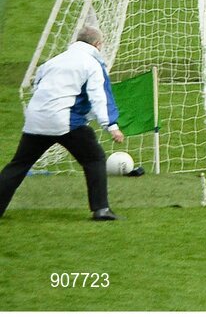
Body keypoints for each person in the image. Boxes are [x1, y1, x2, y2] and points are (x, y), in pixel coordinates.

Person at [0, 26, 125, 221]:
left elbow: (37, 86)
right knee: (94, 159)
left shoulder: (53, 61)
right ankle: (101, 209)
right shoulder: (92, 63)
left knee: (18, 165)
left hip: (35, 119)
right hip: (65, 121)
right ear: (98, 44)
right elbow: (99, 96)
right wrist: (111, 126)